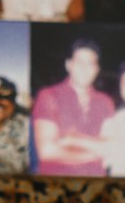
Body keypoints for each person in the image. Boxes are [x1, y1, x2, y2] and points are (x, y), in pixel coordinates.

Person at [31, 38, 115, 176]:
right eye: (80, 62)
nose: (85, 68)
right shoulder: (48, 96)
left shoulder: (105, 101)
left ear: (97, 70)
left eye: (90, 64)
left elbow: (111, 145)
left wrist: (73, 139)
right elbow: (47, 152)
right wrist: (96, 153)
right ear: (69, 65)